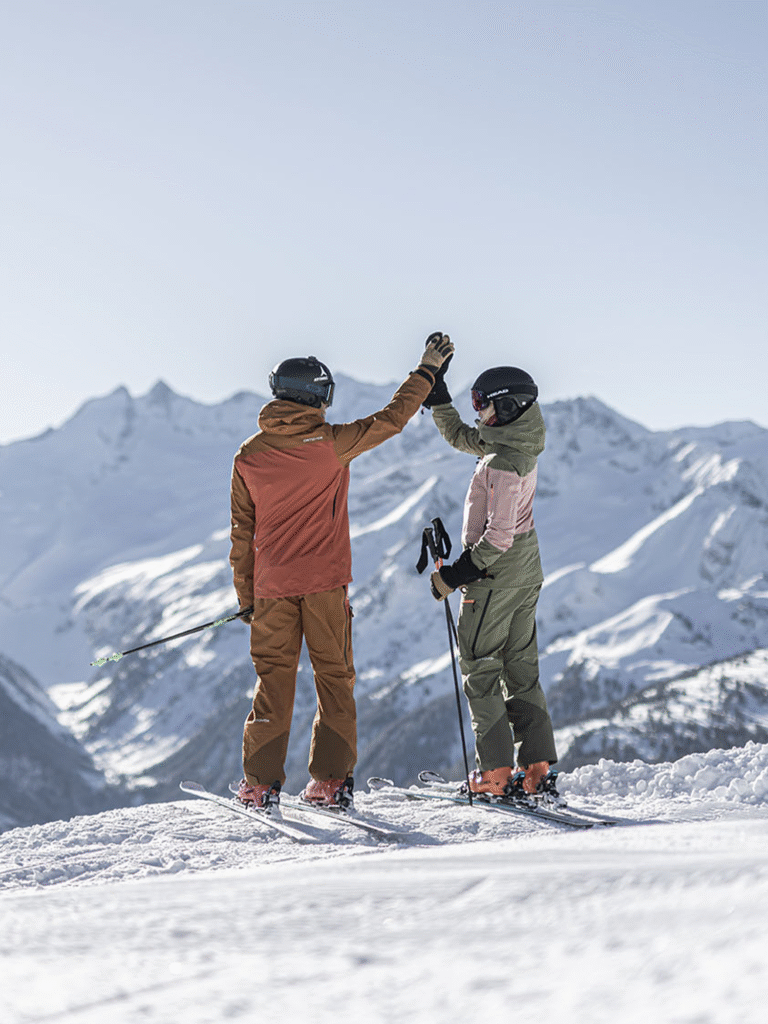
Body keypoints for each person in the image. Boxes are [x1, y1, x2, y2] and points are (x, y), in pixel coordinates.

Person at [229, 334, 454, 810]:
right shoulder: (330, 445)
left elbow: (240, 534)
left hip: (270, 591)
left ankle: (258, 785)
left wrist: (245, 596)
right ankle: (330, 782)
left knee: (273, 681)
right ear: (316, 396)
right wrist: (427, 369)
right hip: (325, 586)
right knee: (333, 677)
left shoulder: (247, 455)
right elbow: (392, 418)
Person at [423, 346, 557, 797]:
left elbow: (496, 539)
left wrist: (452, 577)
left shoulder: (503, 462)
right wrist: (438, 392)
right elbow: (462, 436)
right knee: (521, 669)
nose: (477, 410)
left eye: (483, 402)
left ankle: (496, 775)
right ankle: (536, 769)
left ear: (507, 406)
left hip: (495, 579)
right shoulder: (516, 441)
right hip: (525, 574)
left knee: (480, 668)